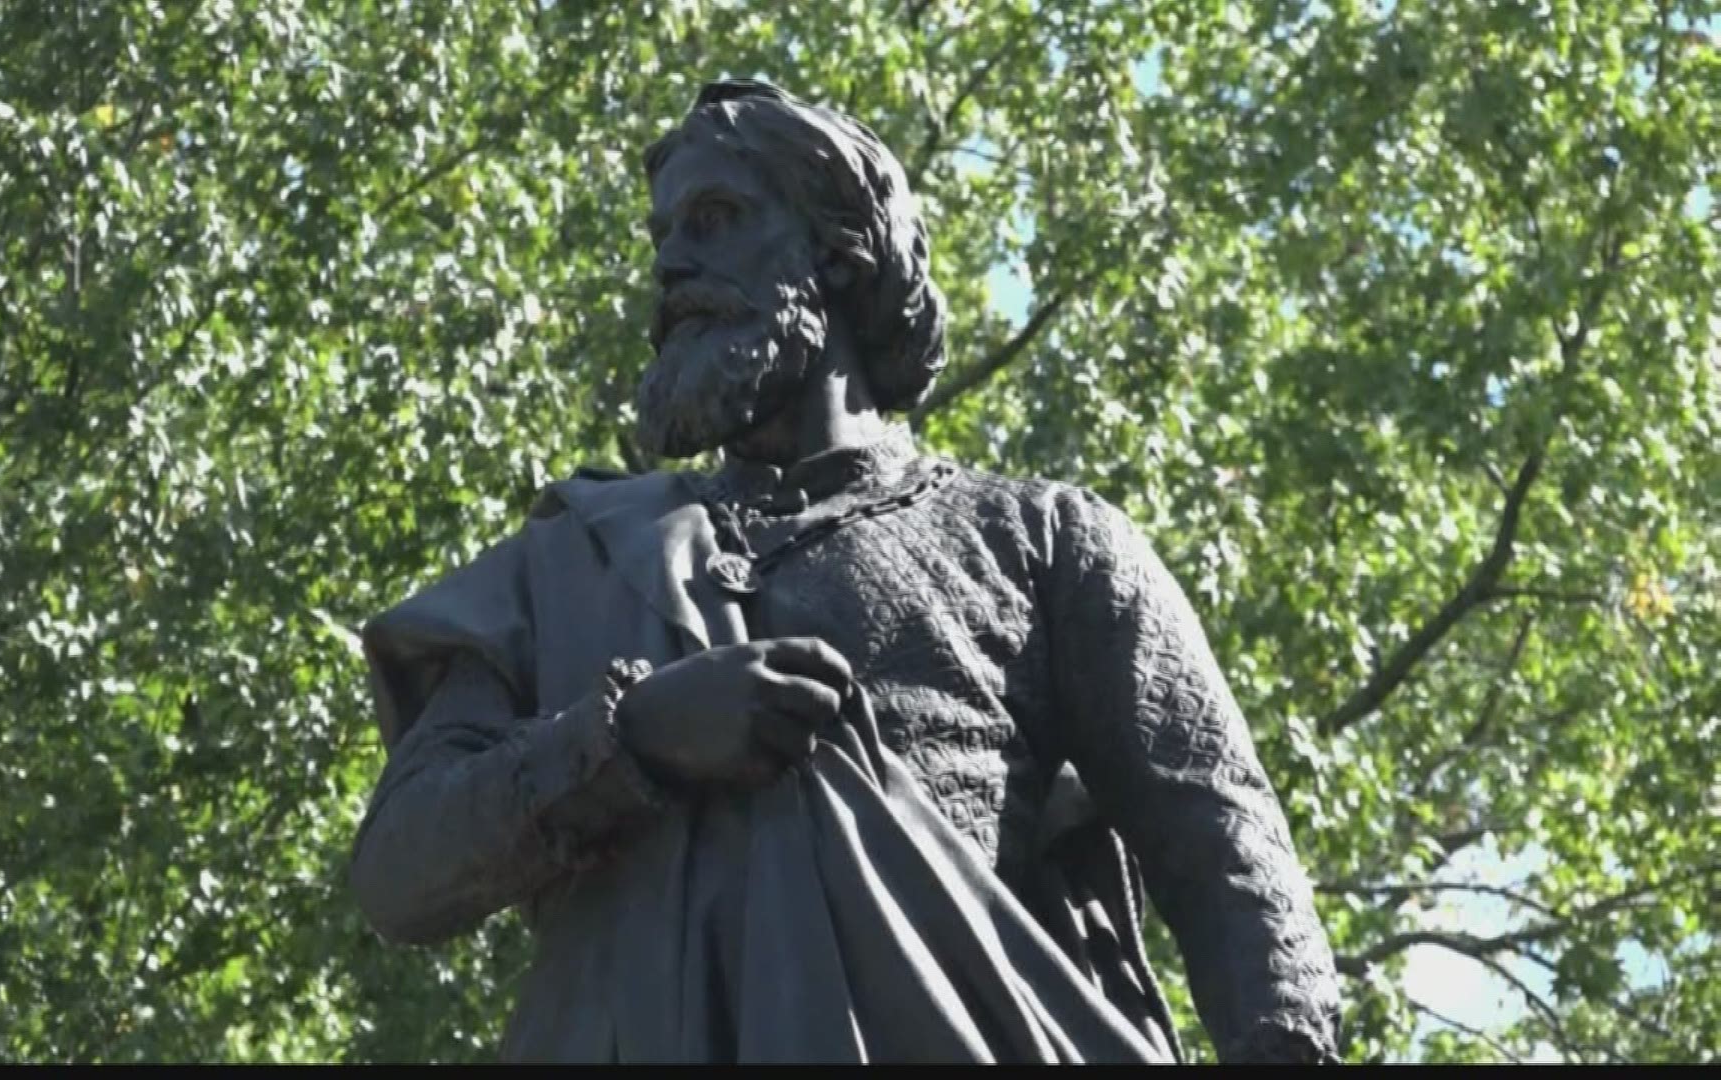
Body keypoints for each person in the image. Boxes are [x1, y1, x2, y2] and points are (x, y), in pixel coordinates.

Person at [350, 80, 1341, 1063]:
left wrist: (1284, 1042)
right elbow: (400, 870)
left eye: (716, 218)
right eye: (663, 238)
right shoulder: (574, 558)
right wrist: (630, 740)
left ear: (839, 247)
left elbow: (1220, 840)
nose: (674, 266)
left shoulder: (1040, 542)